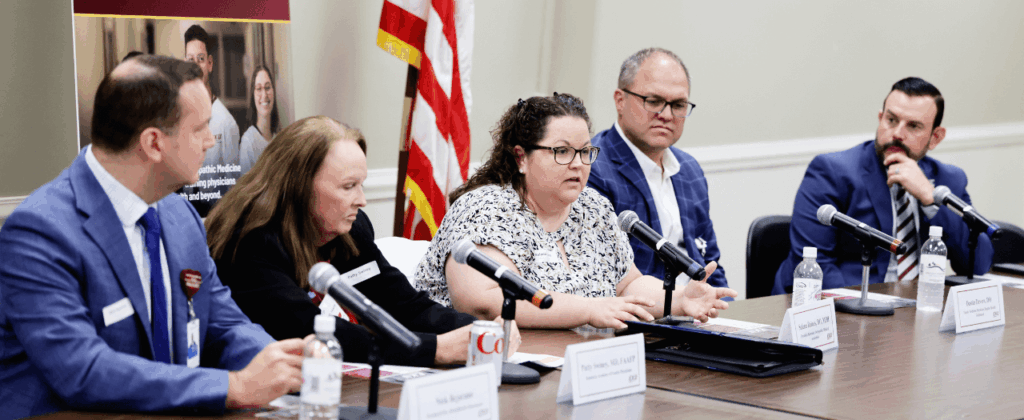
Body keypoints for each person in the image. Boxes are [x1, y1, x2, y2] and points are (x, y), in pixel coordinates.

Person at [0, 55, 304, 419]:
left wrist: (285, 364)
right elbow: (83, 370)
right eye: (200, 128)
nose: (211, 140)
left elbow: (224, 325)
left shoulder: (179, 215)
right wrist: (234, 387)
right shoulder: (39, 232)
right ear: (154, 144)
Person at [206, 116, 518, 367]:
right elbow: (306, 328)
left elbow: (404, 305)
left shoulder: (348, 232)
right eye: (348, 186)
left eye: (362, 184)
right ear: (299, 187)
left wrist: (476, 330)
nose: (362, 200)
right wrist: (435, 350)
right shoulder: (250, 241)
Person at [414, 93, 736, 329]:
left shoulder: (593, 208)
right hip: (484, 364)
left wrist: (680, 300)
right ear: (521, 157)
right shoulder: (484, 208)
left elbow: (628, 285)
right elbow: (484, 302)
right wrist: (588, 310)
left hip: (578, 362)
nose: (579, 164)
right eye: (563, 152)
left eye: (585, 152)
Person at [772, 77, 994, 293]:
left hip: (917, 309)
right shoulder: (832, 172)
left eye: (914, 126)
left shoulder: (948, 179)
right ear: (880, 118)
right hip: (848, 306)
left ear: (935, 137)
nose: (897, 134)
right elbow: (816, 267)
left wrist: (929, 196)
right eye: (891, 120)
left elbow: (977, 264)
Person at [587, 48, 728, 289]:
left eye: (679, 104)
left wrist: (727, 312)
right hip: (638, 315)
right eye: (654, 102)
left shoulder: (689, 170)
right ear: (620, 101)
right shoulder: (593, 168)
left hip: (696, 316)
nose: (667, 115)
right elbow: (602, 275)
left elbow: (710, 262)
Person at [182, 24, 240, 215]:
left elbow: (234, 189)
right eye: (190, 60)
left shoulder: (226, 123)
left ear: (210, 63)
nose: (195, 66)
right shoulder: (181, 118)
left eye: (200, 59)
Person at [240, 64, 280, 175]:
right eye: (258, 89)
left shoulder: (279, 139)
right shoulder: (248, 142)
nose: (264, 95)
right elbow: (245, 190)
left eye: (267, 87)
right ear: (253, 95)